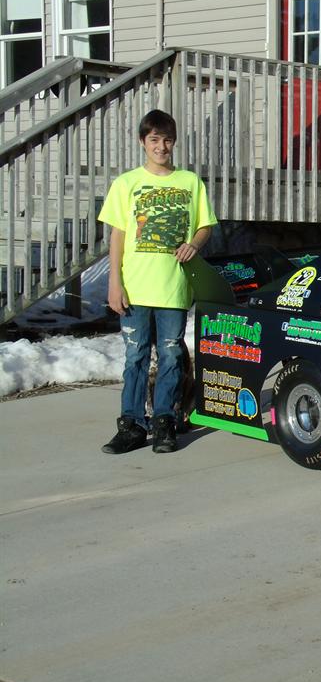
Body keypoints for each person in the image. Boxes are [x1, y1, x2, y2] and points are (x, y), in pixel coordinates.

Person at [98, 109, 217, 454]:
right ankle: (132, 425)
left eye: (167, 140)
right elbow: (118, 236)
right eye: (154, 140)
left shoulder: (190, 182)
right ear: (142, 142)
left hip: (173, 287)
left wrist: (194, 244)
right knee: (135, 356)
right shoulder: (126, 183)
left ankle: (165, 421)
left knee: (171, 355)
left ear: (173, 142)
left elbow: (205, 226)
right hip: (135, 288)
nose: (161, 147)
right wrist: (115, 283)